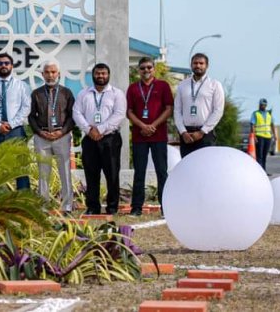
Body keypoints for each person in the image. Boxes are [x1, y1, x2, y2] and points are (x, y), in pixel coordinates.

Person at [72, 63, 126, 215]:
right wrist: (90, 130)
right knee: (91, 174)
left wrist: (101, 129)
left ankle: (112, 207)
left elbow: (120, 114)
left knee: (112, 174)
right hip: (90, 139)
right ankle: (93, 207)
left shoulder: (117, 93)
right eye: (97, 73)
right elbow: (76, 113)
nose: (100, 76)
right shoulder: (84, 94)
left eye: (103, 73)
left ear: (108, 75)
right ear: (93, 75)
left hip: (110, 138)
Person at [126, 57, 173, 216]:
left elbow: (168, 109)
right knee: (139, 172)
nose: (146, 71)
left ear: (153, 69)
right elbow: (129, 111)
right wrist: (142, 126)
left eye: (149, 68)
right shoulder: (133, 88)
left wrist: (153, 125)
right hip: (140, 136)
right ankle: (136, 207)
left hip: (158, 135)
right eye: (143, 68)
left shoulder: (163, 86)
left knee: (162, 171)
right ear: (138, 70)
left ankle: (165, 206)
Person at [28, 61, 76, 214]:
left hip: (61, 136)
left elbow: (72, 117)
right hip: (42, 137)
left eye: (53, 72)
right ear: (42, 75)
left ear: (59, 74)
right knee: (43, 172)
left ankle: (67, 206)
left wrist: (61, 132)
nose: (50, 75)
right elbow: (31, 117)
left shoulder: (66, 93)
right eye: (47, 72)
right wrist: (40, 132)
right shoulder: (36, 93)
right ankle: (43, 206)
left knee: (65, 171)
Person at [0, 53, 32, 188]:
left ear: (12, 66)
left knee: (20, 168)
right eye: (0, 63)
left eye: (6, 63)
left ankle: (24, 200)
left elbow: (26, 107)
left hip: (16, 132)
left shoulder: (22, 86)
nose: (3, 65)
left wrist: (11, 124)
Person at [174, 53, 225, 157]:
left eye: (201, 63)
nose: (198, 66)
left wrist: (202, 132)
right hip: (186, 135)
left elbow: (218, 110)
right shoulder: (182, 85)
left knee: (206, 168)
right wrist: (183, 132)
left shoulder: (214, 85)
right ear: (191, 65)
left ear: (207, 66)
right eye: (195, 63)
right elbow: (177, 110)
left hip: (205, 134)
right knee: (187, 167)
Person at [250, 98, 276, 174]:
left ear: (266, 105)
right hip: (259, 136)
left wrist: (274, 135)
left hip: (268, 137)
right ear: (259, 105)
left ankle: (263, 171)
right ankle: (259, 171)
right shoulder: (255, 113)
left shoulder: (269, 114)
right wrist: (254, 136)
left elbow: (272, 125)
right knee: (259, 155)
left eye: (264, 105)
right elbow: (252, 125)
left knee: (265, 155)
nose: (263, 106)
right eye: (262, 104)